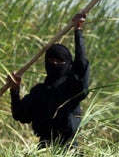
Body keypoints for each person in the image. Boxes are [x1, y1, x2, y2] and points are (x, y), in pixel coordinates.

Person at [7, 13, 89, 148]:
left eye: (60, 61)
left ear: (68, 63)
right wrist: (15, 91)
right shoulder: (39, 91)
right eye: (51, 60)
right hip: (44, 149)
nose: (55, 64)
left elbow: (81, 66)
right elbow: (21, 115)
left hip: (69, 151)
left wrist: (78, 31)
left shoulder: (72, 88)